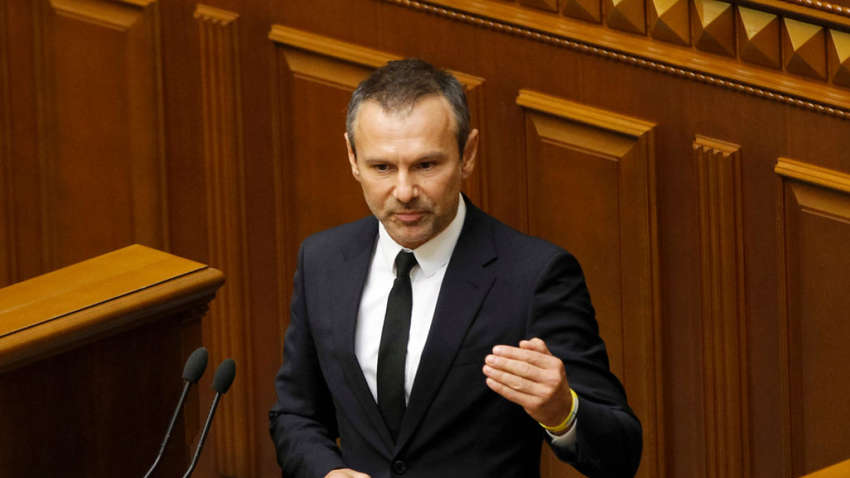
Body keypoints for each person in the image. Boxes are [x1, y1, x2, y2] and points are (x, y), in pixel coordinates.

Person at [269, 59, 642, 478]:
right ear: (353, 158)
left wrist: (563, 412)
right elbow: (295, 415)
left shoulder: (535, 277)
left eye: (426, 165)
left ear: (468, 154)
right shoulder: (322, 260)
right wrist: (327, 473)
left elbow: (621, 452)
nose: (404, 191)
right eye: (382, 167)